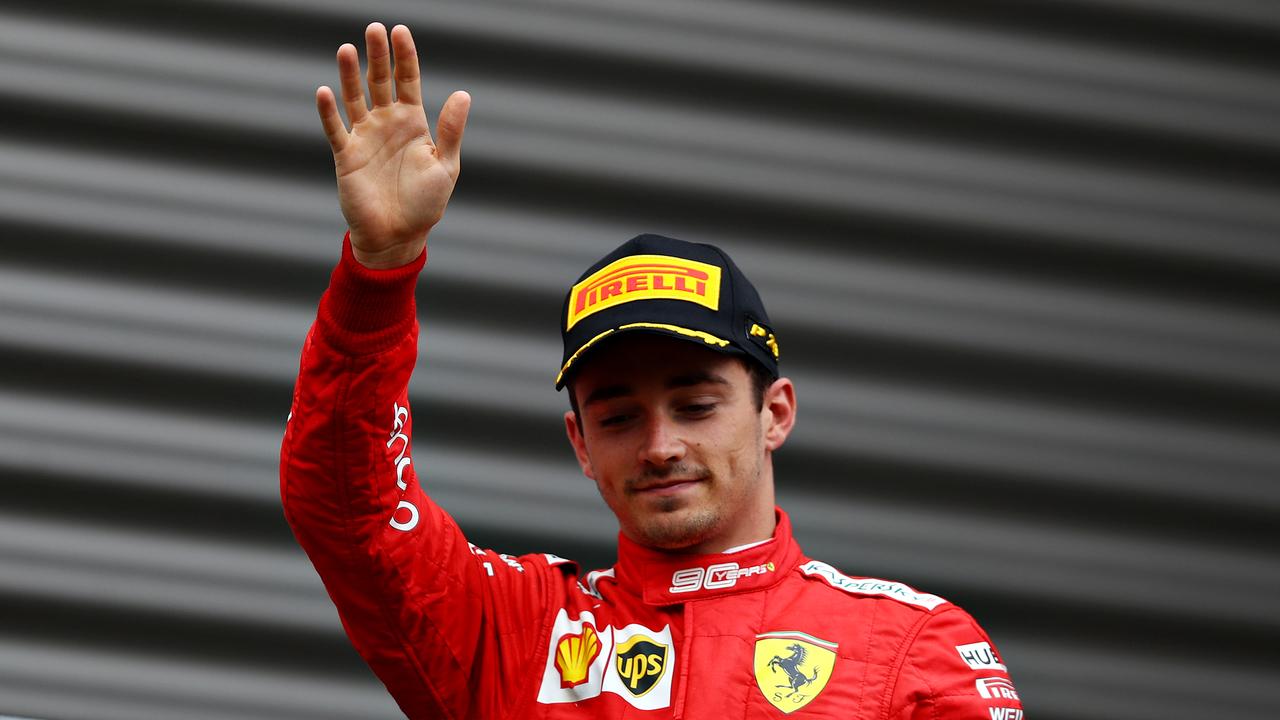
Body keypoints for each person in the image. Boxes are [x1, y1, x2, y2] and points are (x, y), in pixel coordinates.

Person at [281, 22, 1025, 720]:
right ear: (578, 442)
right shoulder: (516, 628)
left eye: (696, 405)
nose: (659, 444)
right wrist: (380, 269)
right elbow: (351, 507)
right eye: (617, 416)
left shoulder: (910, 650)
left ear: (777, 413)